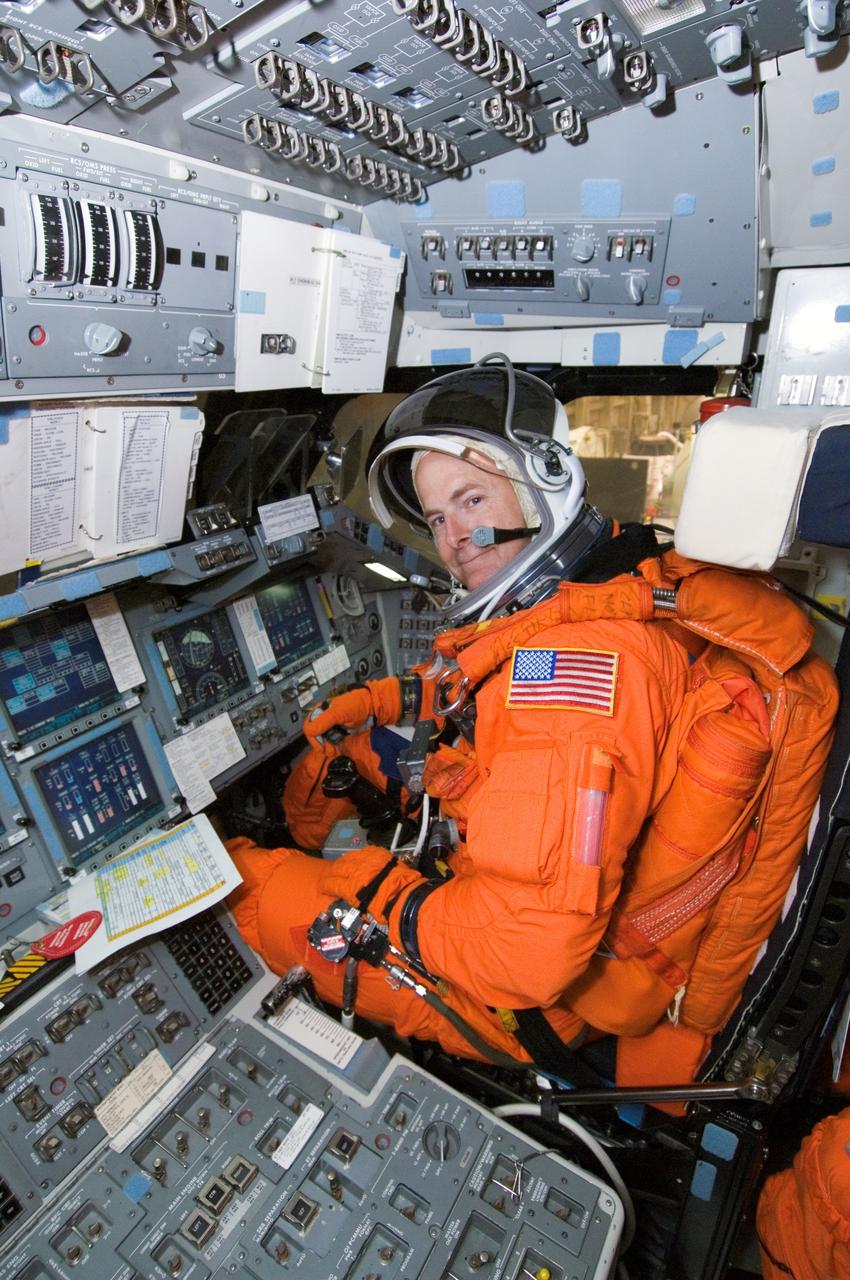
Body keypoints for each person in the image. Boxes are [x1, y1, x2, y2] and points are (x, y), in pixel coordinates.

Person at [226, 355, 833, 1076]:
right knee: (349, 749)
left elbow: (521, 953)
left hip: (521, 1006)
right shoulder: (615, 580)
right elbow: (479, 680)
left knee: (246, 889)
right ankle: (307, 846)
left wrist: (378, 891)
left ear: (543, 483)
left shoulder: (577, 677)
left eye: (473, 500)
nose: (454, 536)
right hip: (521, 891)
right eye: (437, 516)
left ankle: (277, 873)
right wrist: (383, 701)